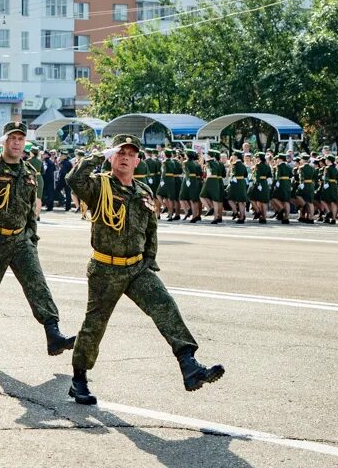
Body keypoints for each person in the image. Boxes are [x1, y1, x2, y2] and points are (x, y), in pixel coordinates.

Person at [63, 134, 224, 405]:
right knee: (94, 325)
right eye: (120, 153)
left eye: (130, 154)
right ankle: (79, 379)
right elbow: (73, 179)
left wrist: (149, 260)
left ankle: (189, 364)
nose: (125, 157)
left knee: (165, 305)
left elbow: (151, 230)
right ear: (112, 157)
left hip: (137, 267)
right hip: (105, 267)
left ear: (138, 161)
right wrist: (99, 155)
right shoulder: (98, 186)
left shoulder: (143, 192)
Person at [0, 121, 75, 363]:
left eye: (20, 139)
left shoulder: (29, 173)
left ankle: (53, 333)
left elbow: (30, 210)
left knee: (38, 284)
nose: (16, 142)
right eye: (11, 138)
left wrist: (32, 237)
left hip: (21, 239)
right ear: (4, 141)